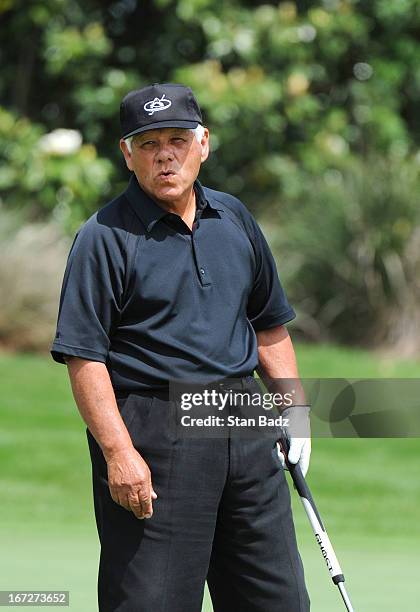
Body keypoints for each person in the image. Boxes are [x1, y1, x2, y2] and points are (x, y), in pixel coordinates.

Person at [51, 82, 311, 612]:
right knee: (152, 601)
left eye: (177, 139)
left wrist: (294, 412)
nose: (165, 154)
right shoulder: (103, 237)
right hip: (155, 428)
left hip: (243, 419)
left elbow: (268, 325)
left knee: (276, 599)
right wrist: (119, 454)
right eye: (148, 143)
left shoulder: (234, 217)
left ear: (203, 144)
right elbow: (85, 356)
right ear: (128, 155)